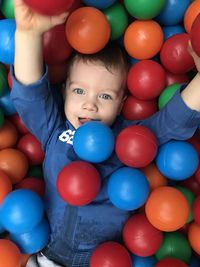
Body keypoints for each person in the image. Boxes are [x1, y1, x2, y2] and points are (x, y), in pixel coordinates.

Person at [11, 0, 200, 266]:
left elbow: (172, 121)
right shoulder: (55, 129)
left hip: (104, 261)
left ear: (122, 104)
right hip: (47, 257)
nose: (90, 103)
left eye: (105, 95)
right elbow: (30, 95)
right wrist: (28, 34)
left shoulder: (129, 141)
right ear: (64, 91)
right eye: (79, 91)